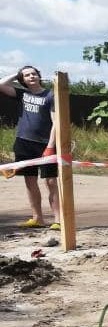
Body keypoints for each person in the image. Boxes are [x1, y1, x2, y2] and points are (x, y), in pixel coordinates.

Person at [1, 66, 61, 230]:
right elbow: (1, 85)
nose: (31, 76)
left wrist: (50, 146)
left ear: (39, 76)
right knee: (30, 181)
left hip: (45, 144)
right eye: (27, 75)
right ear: (23, 80)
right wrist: (16, 74)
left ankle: (58, 220)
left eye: (34, 73)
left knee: (50, 182)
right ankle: (37, 218)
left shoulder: (50, 95)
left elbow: (56, 122)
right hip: (24, 143)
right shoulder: (22, 94)